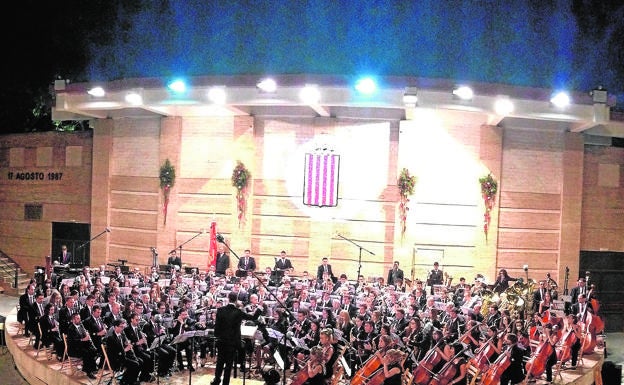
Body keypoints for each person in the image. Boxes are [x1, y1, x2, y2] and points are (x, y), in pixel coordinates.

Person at [210, 291, 262, 385]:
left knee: (220, 362)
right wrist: (260, 307)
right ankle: (225, 383)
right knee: (229, 364)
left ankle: (217, 380)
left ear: (228, 298)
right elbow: (253, 317)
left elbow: (217, 327)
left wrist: (218, 336)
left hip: (221, 341)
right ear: (236, 299)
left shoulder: (220, 310)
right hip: (233, 342)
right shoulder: (238, 312)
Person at [106, 318, 142, 385]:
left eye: (123, 327)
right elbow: (113, 353)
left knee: (140, 361)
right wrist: (125, 350)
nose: (123, 329)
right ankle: (128, 381)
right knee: (135, 364)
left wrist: (129, 347)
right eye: (121, 327)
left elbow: (125, 345)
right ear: (115, 327)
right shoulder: (110, 338)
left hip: (124, 356)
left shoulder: (122, 334)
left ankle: (128, 380)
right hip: (116, 359)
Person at [66, 313, 99, 379]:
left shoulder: (81, 325)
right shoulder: (70, 329)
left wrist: (88, 339)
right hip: (74, 349)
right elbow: (72, 342)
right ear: (73, 320)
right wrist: (83, 339)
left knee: (94, 350)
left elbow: (85, 337)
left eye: (79, 318)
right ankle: (89, 372)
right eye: (77, 318)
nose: (80, 320)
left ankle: (90, 367)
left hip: (81, 346)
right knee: (87, 353)